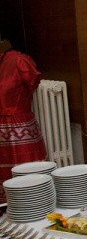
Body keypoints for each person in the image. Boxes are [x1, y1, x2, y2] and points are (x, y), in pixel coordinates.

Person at [0, 43, 47, 204]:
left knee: (28, 172)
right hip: (7, 129)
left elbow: (32, 83)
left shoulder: (20, 61)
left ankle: (35, 204)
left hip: (19, 127)